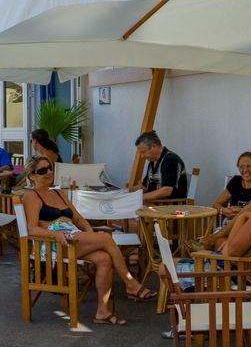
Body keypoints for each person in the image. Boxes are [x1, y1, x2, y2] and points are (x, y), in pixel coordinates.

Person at [22, 156, 156, 325]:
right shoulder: (31, 196)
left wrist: (90, 234)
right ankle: (131, 284)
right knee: (106, 237)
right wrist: (55, 235)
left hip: (74, 235)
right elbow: (32, 228)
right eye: (42, 171)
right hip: (55, 244)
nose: (49, 172)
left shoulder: (58, 192)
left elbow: (78, 219)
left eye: (50, 168)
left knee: (104, 258)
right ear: (32, 176)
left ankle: (102, 312)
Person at [134, 131, 187, 203]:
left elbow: (167, 190)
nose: (142, 156)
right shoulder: (152, 162)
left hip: (171, 207)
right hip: (156, 203)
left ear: (153, 146)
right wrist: (129, 191)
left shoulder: (170, 160)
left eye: (143, 152)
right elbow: (145, 187)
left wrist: (138, 198)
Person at [213, 151, 251, 219]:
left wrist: (243, 212)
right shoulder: (235, 182)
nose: (245, 170)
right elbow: (216, 204)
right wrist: (224, 210)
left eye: (248, 166)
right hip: (232, 225)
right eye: (241, 167)